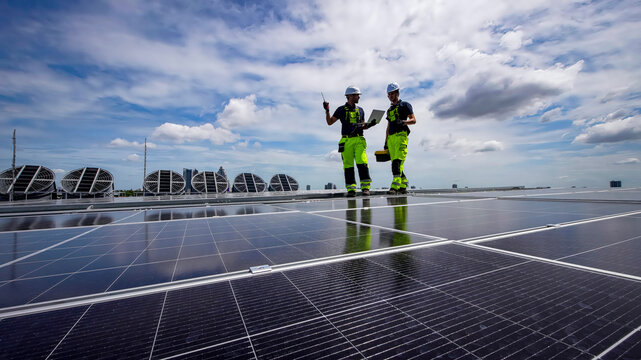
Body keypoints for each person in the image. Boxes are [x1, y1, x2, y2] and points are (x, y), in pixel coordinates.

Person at [324, 85, 374, 197]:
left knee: (362, 162)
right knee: (348, 165)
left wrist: (370, 125)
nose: (359, 97)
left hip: (359, 140)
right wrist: (327, 111)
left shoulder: (360, 110)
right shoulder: (341, 110)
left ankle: (365, 188)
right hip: (346, 141)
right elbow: (330, 122)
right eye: (357, 95)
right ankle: (351, 189)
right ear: (350, 96)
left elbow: (363, 126)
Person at [384, 82, 416, 195]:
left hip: (401, 136)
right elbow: (388, 127)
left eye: (392, 94)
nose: (390, 96)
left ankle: (394, 186)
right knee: (395, 162)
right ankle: (403, 185)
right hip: (391, 138)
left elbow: (413, 120)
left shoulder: (405, 105)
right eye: (389, 94)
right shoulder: (389, 110)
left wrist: (403, 122)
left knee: (397, 161)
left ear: (397, 93)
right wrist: (385, 142)